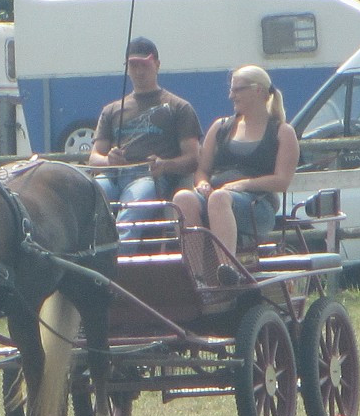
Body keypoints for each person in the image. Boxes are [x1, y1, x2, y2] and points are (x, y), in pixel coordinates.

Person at [173, 66, 299, 277]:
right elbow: (202, 170)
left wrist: (244, 184)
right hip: (216, 196)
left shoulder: (281, 132)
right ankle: (196, 275)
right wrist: (202, 183)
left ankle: (226, 270)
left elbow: (282, 181)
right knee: (183, 197)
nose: (231, 95)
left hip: (256, 204)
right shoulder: (220, 127)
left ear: (258, 90)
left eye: (237, 90)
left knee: (220, 198)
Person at [88, 37, 201, 242]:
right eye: (133, 65)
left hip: (149, 178)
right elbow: (94, 159)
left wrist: (165, 166)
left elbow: (193, 159)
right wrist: (108, 160)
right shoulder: (111, 110)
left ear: (157, 65)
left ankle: (117, 266)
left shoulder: (179, 107)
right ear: (127, 68)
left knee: (132, 210)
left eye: (144, 65)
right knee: (88, 197)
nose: (139, 71)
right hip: (112, 177)